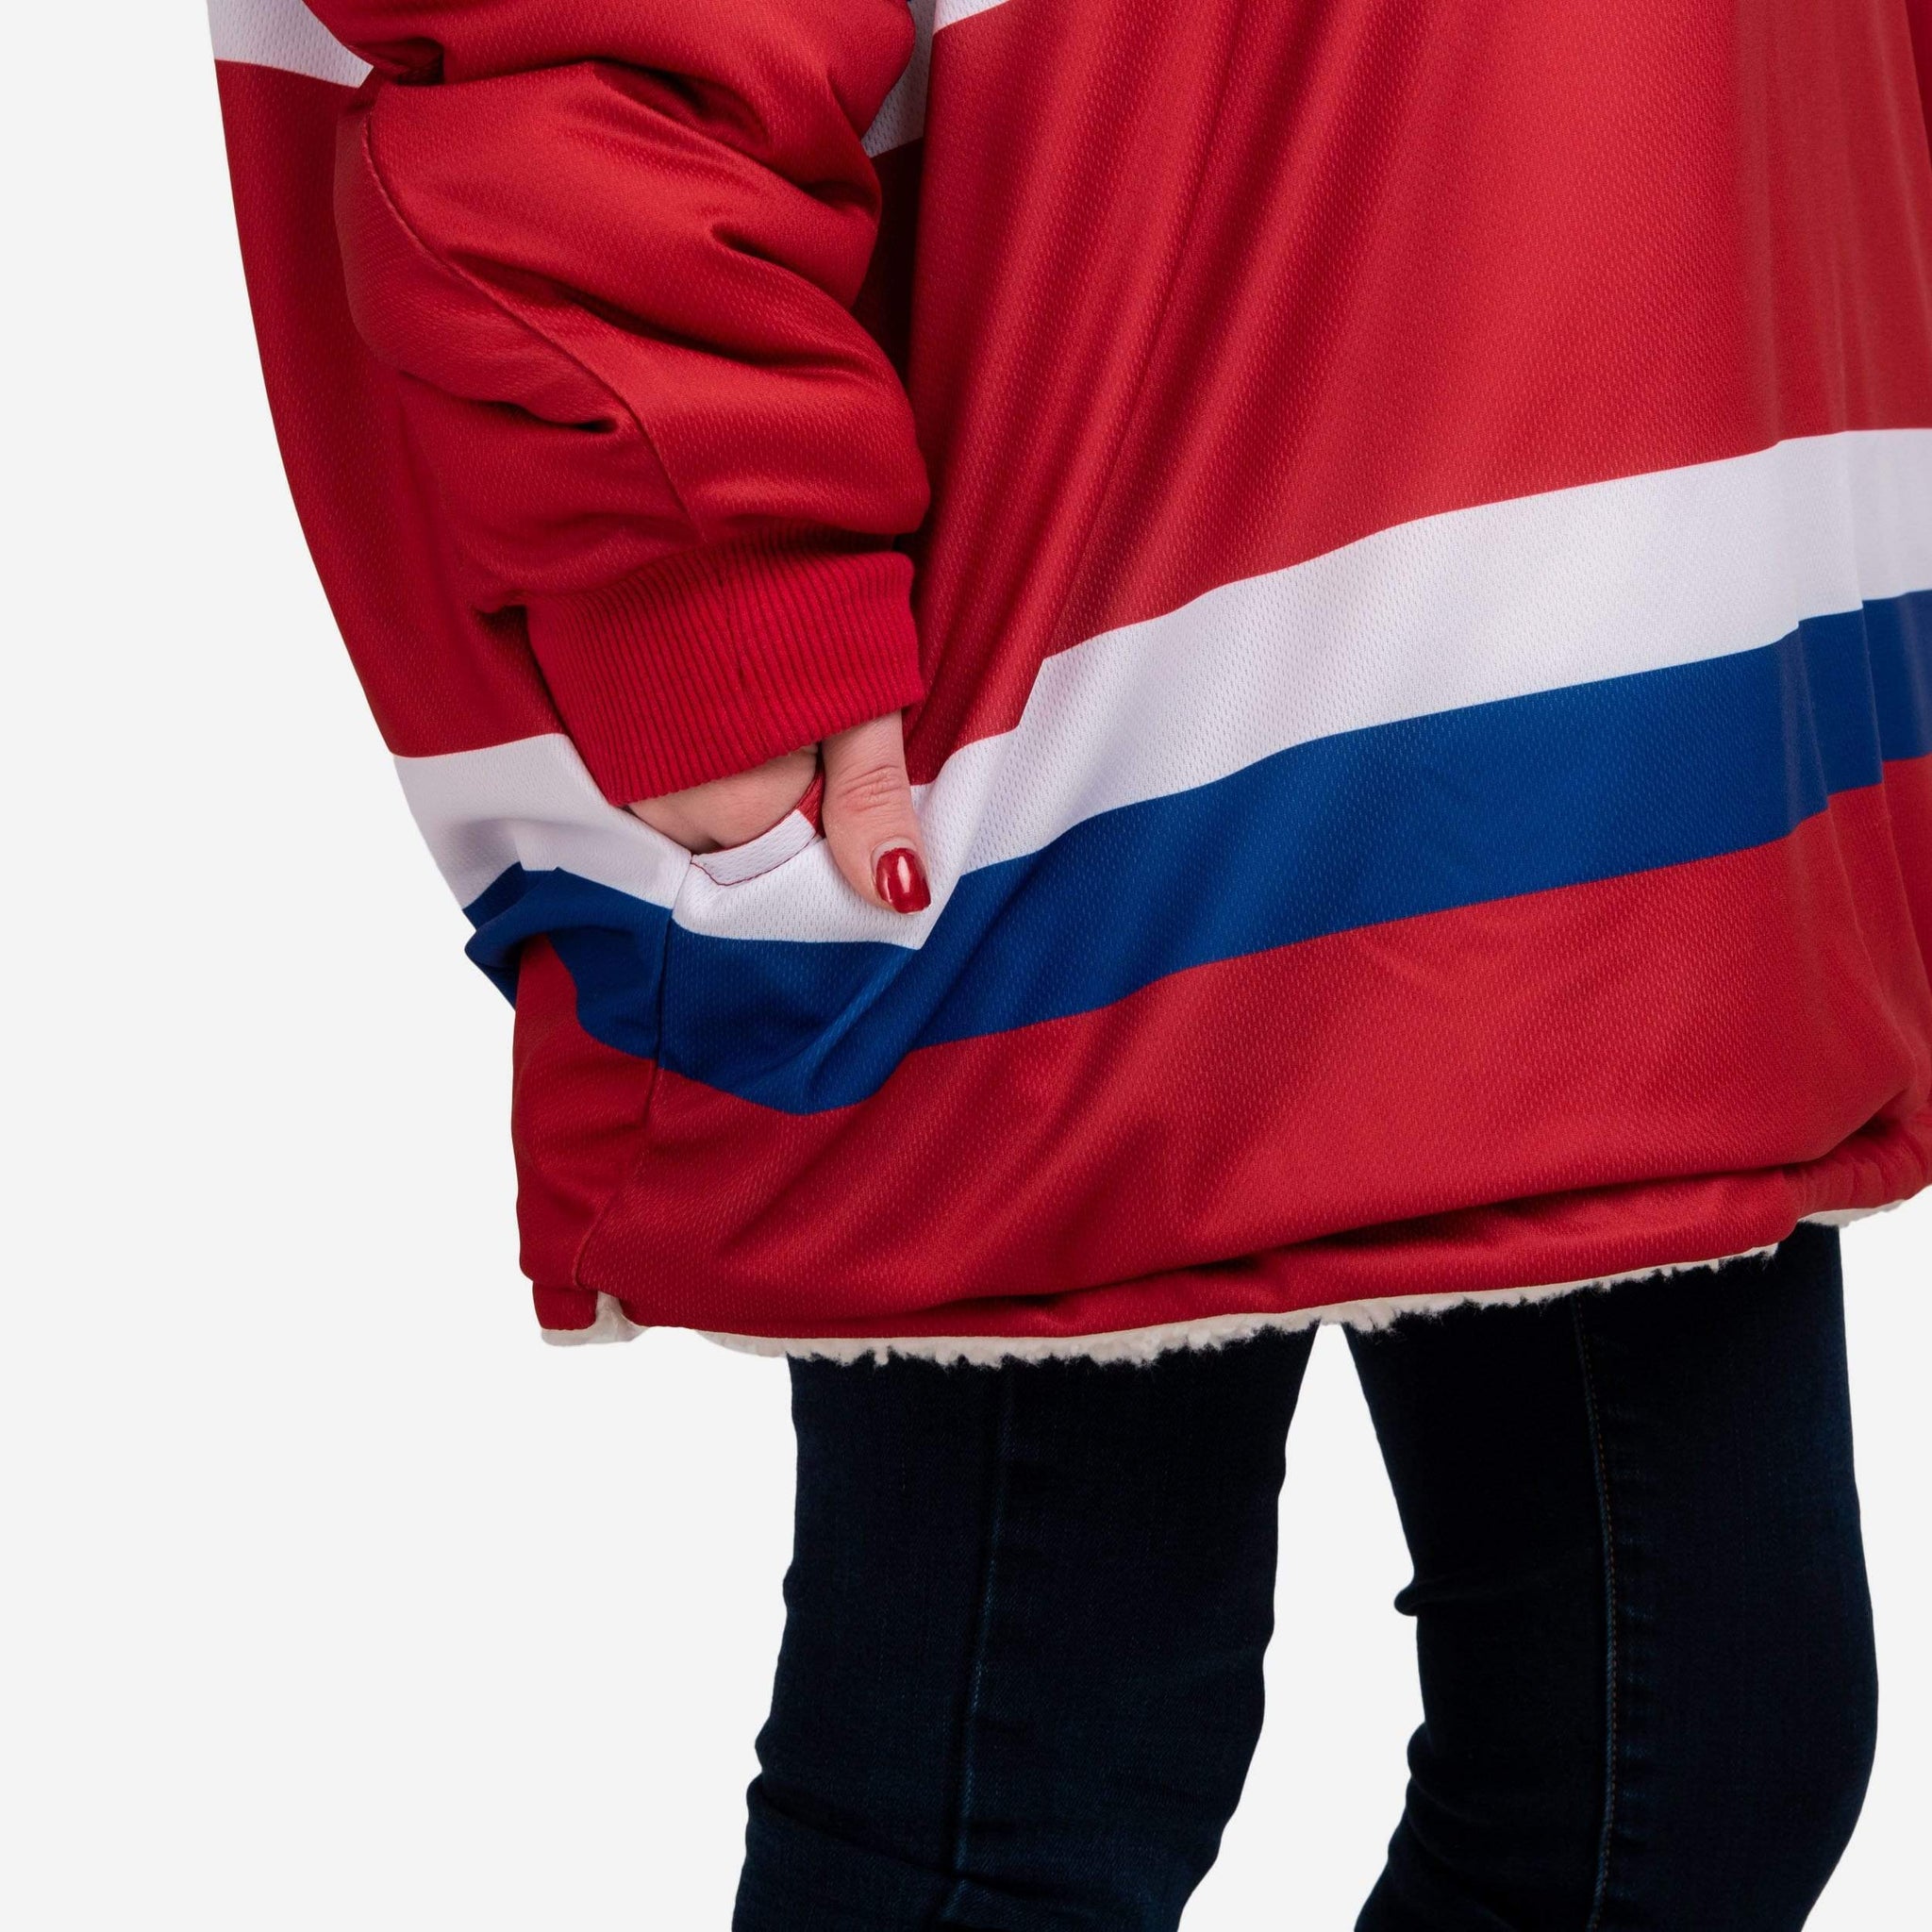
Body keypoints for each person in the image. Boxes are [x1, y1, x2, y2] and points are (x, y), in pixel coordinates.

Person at [208, 1, 1932, 1924]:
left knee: (1690, 1750)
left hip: (1664, 526)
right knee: (1041, 1771)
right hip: (1090, 585)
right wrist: (702, 576)